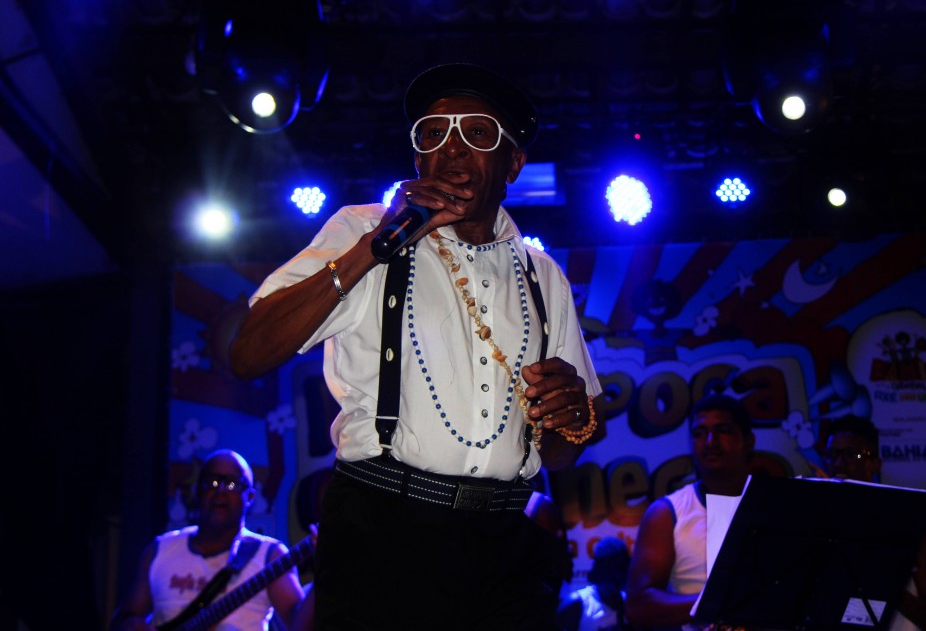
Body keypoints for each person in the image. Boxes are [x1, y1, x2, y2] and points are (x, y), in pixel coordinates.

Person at [229, 62, 603, 630]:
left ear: (513, 164)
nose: (451, 148)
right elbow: (248, 353)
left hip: (506, 540)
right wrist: (375, 247)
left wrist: (575, 416)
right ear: (417, 158)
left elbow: (564, 449)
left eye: (476, 132)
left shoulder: (541, 273)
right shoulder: (365, 230)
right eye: (433, 134)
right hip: (383, 528)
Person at [110, 449, 313, 631]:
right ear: (197, 491)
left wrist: (325, 573)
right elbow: (125, 618)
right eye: (212, 482)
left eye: (232, 484)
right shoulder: (160, 550)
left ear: (250, 497)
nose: (220, 490)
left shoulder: (270, 555)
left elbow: (301, 625)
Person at [624, 391, 754, 630]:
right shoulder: (667, 513)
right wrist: (715, 603)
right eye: (699, 433)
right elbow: (638, 605)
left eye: (723, 430)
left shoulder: (778, 503)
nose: (711, 441)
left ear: (748, 441)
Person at [822, 414, 926, 631]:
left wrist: (882, 582)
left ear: (875, 464)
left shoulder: (905, 521)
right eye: (832, 454)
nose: (838, 463)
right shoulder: (815, 525)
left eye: (852, 454)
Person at [558, 536, 632, 631]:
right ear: (598, 572)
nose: (614, 582)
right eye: (609, 573)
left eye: (619, 572)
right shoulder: (576, 604)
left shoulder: (629, 604)